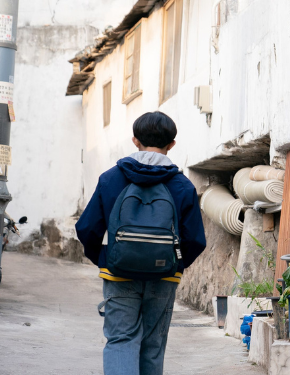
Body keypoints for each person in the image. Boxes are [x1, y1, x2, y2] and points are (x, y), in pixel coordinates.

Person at [76, 111, 207, 374]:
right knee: (153, 345)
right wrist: (175, 264)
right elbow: (194, 239)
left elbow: (87, 228)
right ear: (172, 144)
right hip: (164, 277)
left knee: (121, 340)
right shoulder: (182, 186)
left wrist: (104, 258)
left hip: (118, 274)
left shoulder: (111, 178)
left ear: (135, 141)